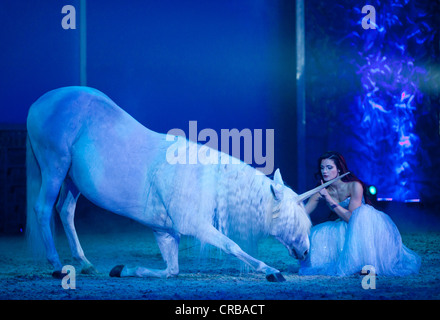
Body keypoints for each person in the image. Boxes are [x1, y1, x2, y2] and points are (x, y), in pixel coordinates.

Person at [299, 151, 421, 276]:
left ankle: (365, 264)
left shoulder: (354, 186)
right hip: (343, 225)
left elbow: (353, 218)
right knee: (317, 235)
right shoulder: (321, 191)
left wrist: (329, 200)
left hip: (364, 226)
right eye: (322, 168)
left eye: (329, 168)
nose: (325, 171)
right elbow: (302, 213)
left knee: (362, 214)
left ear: (339, 170)